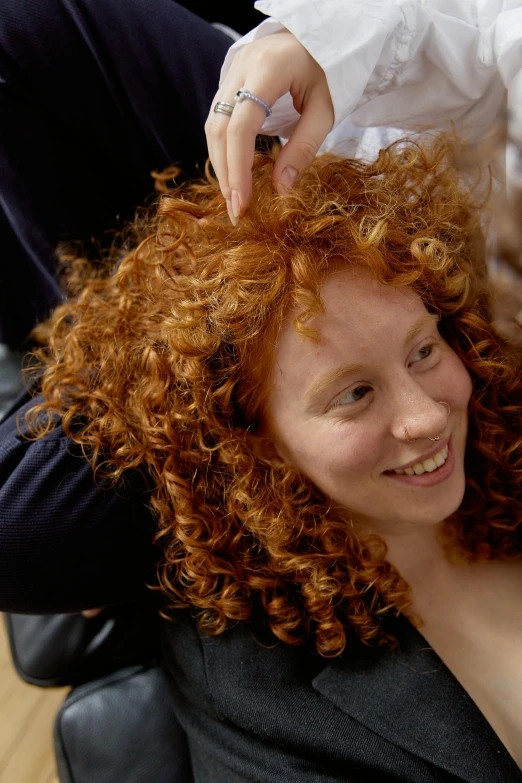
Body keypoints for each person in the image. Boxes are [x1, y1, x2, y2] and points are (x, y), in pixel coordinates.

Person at [2, 134, 522, 781]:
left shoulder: (510, 437)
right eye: (355, 394)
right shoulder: (261, 709)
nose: (426, 415)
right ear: (254, 443)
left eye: (423, 350)